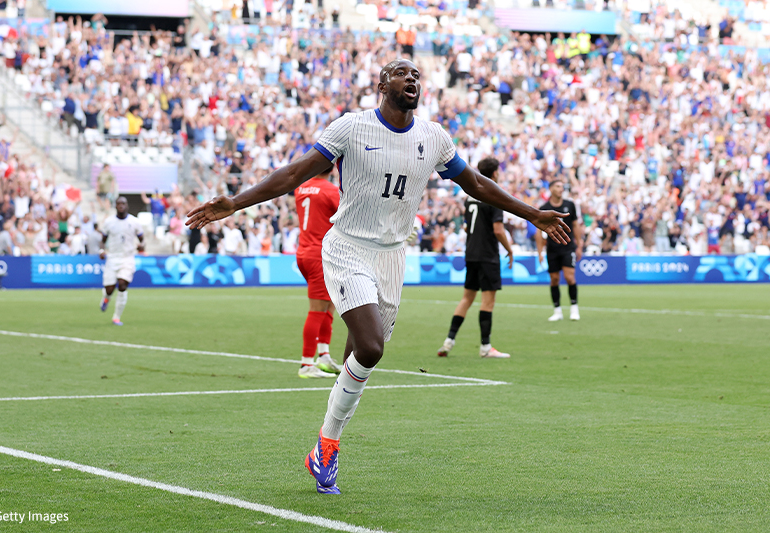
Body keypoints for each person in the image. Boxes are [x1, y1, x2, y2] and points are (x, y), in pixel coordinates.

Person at [185, 59, 570, 495]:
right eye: (403, 73)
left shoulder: (433, 137)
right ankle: (328, 447)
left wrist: (532, 213)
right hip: (347, 247)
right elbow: (295, 173)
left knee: (358, 357)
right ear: (382, 83)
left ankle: (324, 443)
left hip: (391, 258)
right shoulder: (351, 128)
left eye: (417, 76)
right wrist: (236, 202)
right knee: (371, 347)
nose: (413, 80)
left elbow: (477, 184)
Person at [437, 157, 515, 359]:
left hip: (471, 253)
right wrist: (509, 249)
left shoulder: (469, 195)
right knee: (487, 301)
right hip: (487, 254)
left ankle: (449, 341)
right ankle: (485, 347)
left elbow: (466, 225)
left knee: (466, 298)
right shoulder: (494, 194)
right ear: (495, 173)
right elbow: (498, 229)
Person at [294, 167, 341, 379]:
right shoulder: (331, 191)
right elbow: (345, 217)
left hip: (304, 251)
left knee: (330, 303)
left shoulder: (302, 188)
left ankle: (323, 356)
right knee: (318, 308)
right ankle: (306, 364)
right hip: (320, 254)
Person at [536, 179, 584, 322]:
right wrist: (540, 251)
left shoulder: (570, 205)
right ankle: (557, 311)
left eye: (562, 187)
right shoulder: (543, 207)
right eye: (557, 186)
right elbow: (539, 232)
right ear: (550, 189)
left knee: (570, 277)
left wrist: (579, 244)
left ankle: (574, 308)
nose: (561, 189)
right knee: (554, 279)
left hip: (568, 247)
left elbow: (575, 226)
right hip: (552, 249)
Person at [99, 197, 144, 326]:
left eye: (123, 203)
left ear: (127, 205)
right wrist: (102, 250)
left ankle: (116, 317)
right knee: (109, 289)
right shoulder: (109, 222)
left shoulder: (134, 222)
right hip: (113, 257)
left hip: (127, 257)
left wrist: (142, 246)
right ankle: (106, 298)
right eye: (118, 203)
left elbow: (142, 239)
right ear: (116, 206)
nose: (121, 205)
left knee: (122, 284)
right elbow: (102, 239)